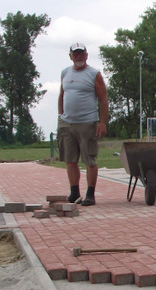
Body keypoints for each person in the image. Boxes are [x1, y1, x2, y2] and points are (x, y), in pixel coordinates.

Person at [57, 42, 108, 206]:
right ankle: (74, 192)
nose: (79, 56)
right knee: (69, 159)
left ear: (86, 55)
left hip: (87, 123)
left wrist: (102, 123)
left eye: (82, 54)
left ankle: (90, 194)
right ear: (70, 56)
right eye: (75, 54)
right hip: (66, 123)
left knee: (89, 159)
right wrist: (60, 116)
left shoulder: (94, 74)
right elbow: (62, 95)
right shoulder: (65, 73)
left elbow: (103, 99)